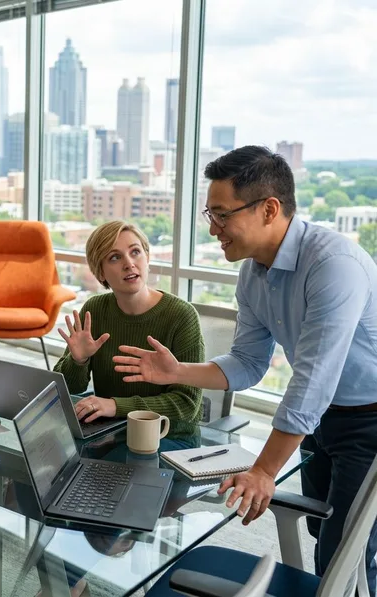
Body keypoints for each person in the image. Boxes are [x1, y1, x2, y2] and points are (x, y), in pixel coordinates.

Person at [113, 145, 377, 594]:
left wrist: (264, 470)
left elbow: (311, 382)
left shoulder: (334, 266)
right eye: (209, 214)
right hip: (322, 419)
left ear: (269, 209)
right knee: (321, 531)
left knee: (345, 551)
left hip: (369, 416)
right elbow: (249, 363)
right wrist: (177, 372)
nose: (213, 228)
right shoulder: (254, 273)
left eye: (221, 215)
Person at [53, 220, 204, 424]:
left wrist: (115, 406)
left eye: (135, 252)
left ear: (147, 257)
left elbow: (187, 404)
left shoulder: (181, 316)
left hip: (168, 436)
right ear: (100, 272)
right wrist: (78, 361)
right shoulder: (94, 310)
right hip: (109, 432)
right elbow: (67, 390)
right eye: (115, 257)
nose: (129, 264)